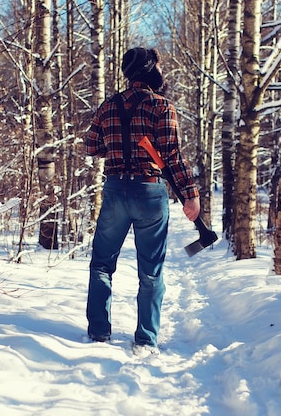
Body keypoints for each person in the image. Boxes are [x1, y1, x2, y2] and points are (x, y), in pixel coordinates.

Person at [84, 47, 200, 352]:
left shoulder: (108, 106)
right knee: (150, 270)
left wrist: (117, 147)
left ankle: (98, 331)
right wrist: (191, 195)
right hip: (149, 192)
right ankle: (146, 338)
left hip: (114, 191)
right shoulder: (162, 106)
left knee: (101, 264)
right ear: (151, 70)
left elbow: (92, 147)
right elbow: (172, 156)